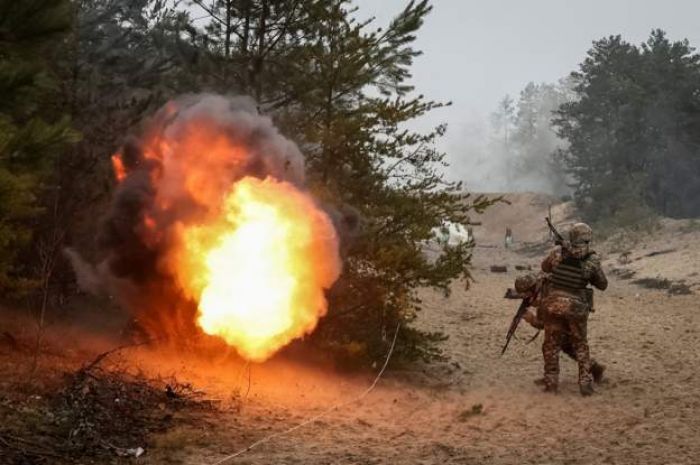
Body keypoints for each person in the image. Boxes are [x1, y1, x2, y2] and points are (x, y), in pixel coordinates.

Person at [540, 222, 608, 396]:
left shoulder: (557, 253)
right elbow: (602, 284)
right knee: (580, 345)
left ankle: (551, 383)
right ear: (587, 238)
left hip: (553, 303)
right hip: (576, 306)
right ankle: (585, 384)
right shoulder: (592, 259)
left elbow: (545, 267)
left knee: (551, 344)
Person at [509, 274, 606, 385]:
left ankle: (552, 381)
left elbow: (543, 324)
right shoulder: (548, 285)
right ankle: (594, 368)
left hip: (572, 314)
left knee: (552, 345)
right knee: (567, 345)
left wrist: (531, 319)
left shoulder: (546, 297)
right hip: (578, 310)